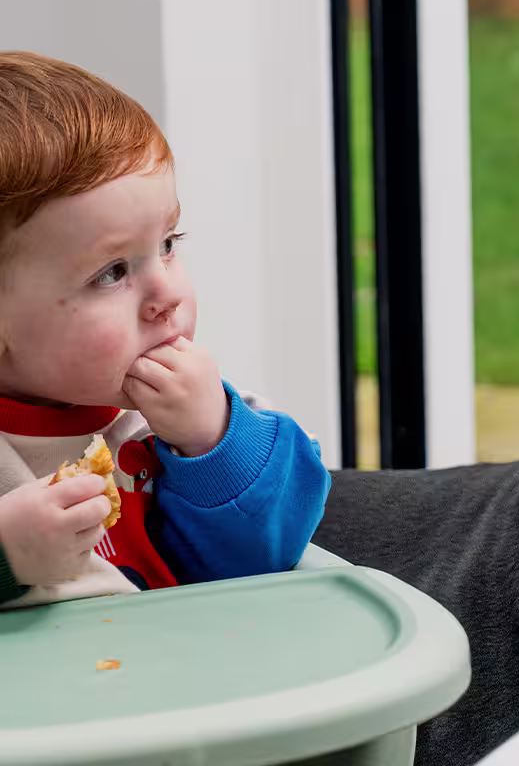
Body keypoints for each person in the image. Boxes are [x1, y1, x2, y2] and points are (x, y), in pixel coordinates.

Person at [0, 51, 329, 608]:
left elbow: (272, 554)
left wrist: (212, 443)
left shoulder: (179, 420)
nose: (167, 295)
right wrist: (7, 559)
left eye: (168, 246)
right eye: (112, 273)